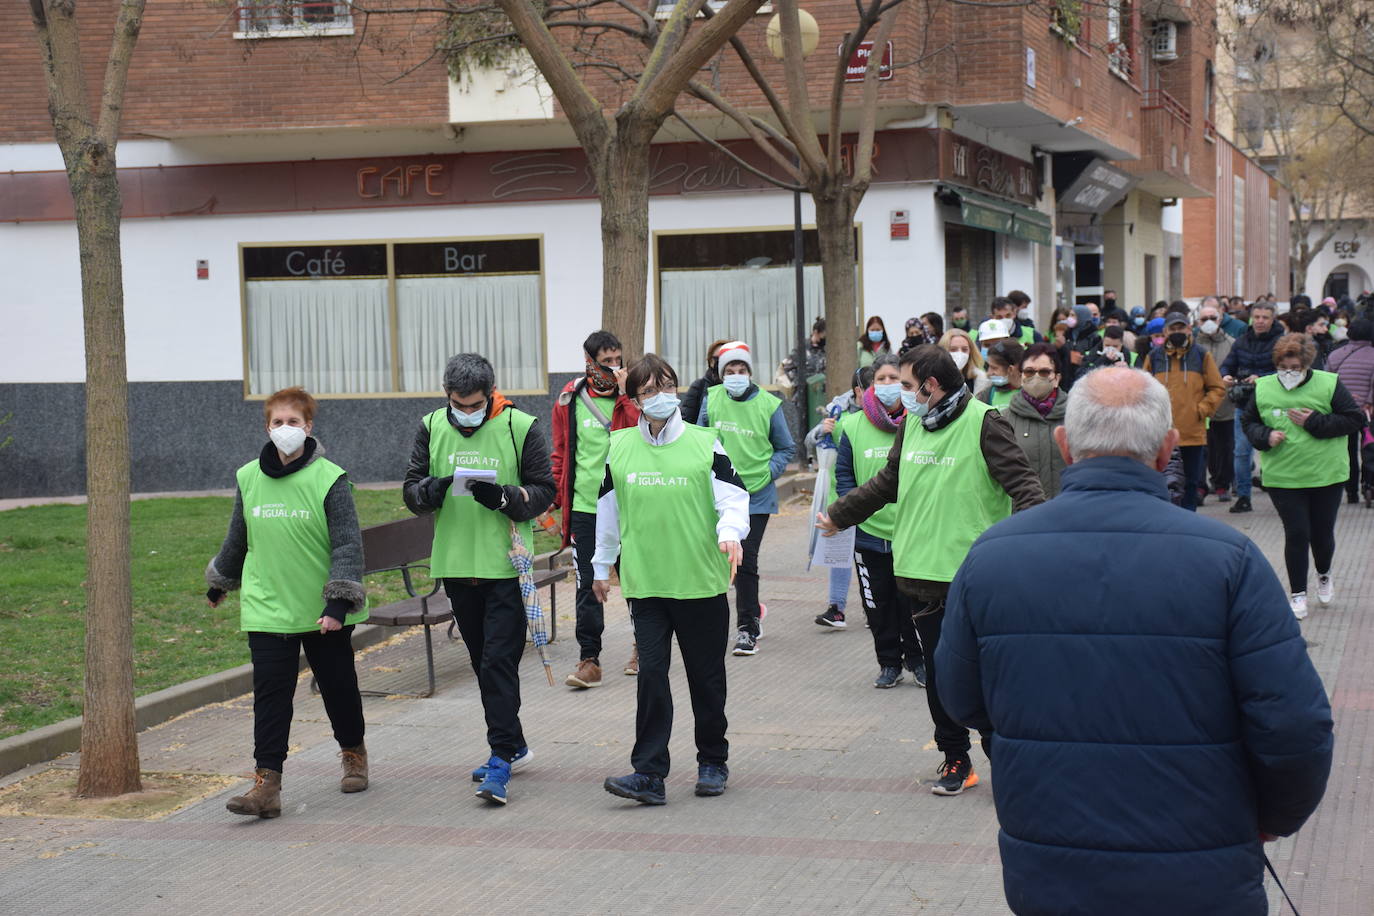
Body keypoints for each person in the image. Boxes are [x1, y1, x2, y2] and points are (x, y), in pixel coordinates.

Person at [937, 366, 1334, 916]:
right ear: (1168, 447)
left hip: (1050, 855)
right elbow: (1296, 723)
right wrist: (1274, 818)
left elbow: (961, 696)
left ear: (1064, 444)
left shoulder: (992, 555)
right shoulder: (1227, 559)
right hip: (1201, 862)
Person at [817, 345, 1044, 796]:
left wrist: (1035, 547)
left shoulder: (985, 422)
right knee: (941, 677)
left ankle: (1007, 757)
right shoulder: (915, 423)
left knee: (984, 674)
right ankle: (955, 758)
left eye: (905, 385)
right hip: (919, 574)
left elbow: (1026, 488)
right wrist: (841, 513)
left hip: (974, 577)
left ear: (931, 385)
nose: (901, 394)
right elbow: (889, 481)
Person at [206, 386, 369, 819]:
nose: (285, 430)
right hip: (268, 605)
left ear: (308, 427)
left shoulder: (329, 478)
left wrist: (338, 604)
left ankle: (353, 752)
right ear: (266, 427)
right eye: (277, 422)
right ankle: (266, 784)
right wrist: (221, 580)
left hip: (320, 609)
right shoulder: (248, 477)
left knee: (338, 688)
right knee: (271, 696)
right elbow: (238, 536)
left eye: (293, 422)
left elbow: (348, 545)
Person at [593, 355, 749, 806]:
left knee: (706, 677)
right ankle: (649, 773)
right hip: (646, 584)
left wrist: (728, 533)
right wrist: (601, 568)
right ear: (635, 399)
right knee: (652, 676)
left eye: (666, 386)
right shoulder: (619, 446)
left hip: (699, 581)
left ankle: (712, 761)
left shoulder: (706, 443)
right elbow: (608, 510)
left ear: (677, 391)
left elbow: (733, 499)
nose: (658, 396)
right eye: (647, 390)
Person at [402, 353, 555, 805]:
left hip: (505, 567)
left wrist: (506, 498)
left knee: (497, 664)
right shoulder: (430, 426)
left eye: (474, 404)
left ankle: (500, 760)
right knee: (482, 663)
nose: (465, 413)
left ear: (491, 394)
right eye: (457, 403)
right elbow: (411, 489)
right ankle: (516, 745)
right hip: (455, 565)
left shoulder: (520, 426)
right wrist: (428, 491)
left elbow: (544, 490)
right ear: (446, 396)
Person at [1241, 334, 1366, 618]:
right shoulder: (1263, 387)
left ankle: (1323, 573)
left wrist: (1315, 421)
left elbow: (1354, 419)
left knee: (1321, 534)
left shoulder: (1328, 383)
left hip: (1326, 474)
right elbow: (1249, 422)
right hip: (1284, 476)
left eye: (1295, 368)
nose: (1288, 374)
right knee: (1297, 533)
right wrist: (1265, 435)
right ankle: (1298, 593)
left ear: (1306, 364)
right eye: (1283, 367)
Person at [551, 331, 642, 689]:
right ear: (589, 362)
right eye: (606, 362)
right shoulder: (568, 400)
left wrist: (625, 396)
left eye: (618, 360)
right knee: (588, 585)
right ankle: (589, 659)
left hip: (629, 506)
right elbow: (561, 452)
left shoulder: (632, 395)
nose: (614, 368)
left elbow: (644, 435)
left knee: (636, 579)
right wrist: (555, 500)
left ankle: (643, 647)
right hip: (587, 508)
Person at [697, 341, 796, 656]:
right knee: (720, 559)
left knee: (744, 558)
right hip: (720, 494)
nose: (736, 375)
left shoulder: (769, 404)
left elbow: (786, 447)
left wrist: (769, 472)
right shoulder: (710, 399)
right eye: (730, 370)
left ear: (750, 373)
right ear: (721, 373)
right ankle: (727, 618)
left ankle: (747, 627)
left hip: (756, 495)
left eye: (741, 370)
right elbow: (699, 440)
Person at [832, 355, 924, 687]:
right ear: (870, 385)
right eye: (880, 379)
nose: (887, 385)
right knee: (878, 604)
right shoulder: (852, 425)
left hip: (909, 531)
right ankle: (889, 663)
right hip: (869, 535)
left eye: (894, 379)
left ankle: (917, 659)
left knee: (910, 602)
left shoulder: (919, 422)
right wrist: (852, 511)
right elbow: (844, 476)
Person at [1141, 310, 1225, 511]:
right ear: (1165, 331)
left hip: (1192, 434)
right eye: (1173, 328)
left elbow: (1217, 388)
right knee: (1162, 483)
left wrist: (1201, 410)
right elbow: (1143, 390)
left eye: (1181, 327)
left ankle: (1188, 521)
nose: (1177, 332)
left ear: (1189, 329)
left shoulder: (1202, 355)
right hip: (1161, 434)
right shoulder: (1154, 357)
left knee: (1190, 484)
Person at [809, 366, 873, 628]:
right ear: (858, 391)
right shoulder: (838, 411)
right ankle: (836, 609)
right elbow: (809, 441)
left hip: (874, 495)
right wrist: (821, 430)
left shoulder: (887, 415)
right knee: (840, 553)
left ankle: (875, 607)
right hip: (841, 492)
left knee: (870, 555)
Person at [1221, 300, 1283, 513]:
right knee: (1241, 451)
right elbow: (1228, 364)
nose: (1260, 321)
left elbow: (1286, 372)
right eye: (1256, 317)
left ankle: (1281, 494)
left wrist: (1262, 378)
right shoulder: (1241, 341)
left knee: (1275, 450)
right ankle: (1244, 497)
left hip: (1273, 403)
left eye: (1265, 317)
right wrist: (1226, 375)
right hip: (1244, 403)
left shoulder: (1281, 342)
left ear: (1272, 319)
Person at [1002, 344, 1068, 498]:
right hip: (1021, 514)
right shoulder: (1003, 420)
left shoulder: (1077, 417)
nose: (1036, 377)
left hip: (1068, 513)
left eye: (1044, 372)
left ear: (1057, 378)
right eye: (1029, 371)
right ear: (1021, 376)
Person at [1326, 318, 1374, 504]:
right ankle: (1369, 485)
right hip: (1368, 411)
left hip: (1342, 410)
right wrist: (1369, 401)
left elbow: (1329, 384)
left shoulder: (1335, 355)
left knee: (1348, 450)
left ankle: (1351, 491)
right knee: (1369, 448)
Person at [1194, 298, 1236, 504]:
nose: (1209, 321)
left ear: (1220, 319)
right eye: (1204, 319)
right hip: (1201, 405)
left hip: (1226, 404)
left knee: (1225, 448)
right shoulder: (1193, 344)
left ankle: (1222, 485)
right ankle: (1200, 486)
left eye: (1213, 318)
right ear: (1197, 321)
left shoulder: (1231, 343)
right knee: (1202, 449)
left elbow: (1236, 366)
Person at [679, 338, 731, 433]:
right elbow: (685, 422)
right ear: (711, 361)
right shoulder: (699, 387)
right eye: (717, 359)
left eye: (726, 357)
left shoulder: (742, 390)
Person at [938, 328, 990, 400]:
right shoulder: (933, 379)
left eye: (964, 349)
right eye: (953, 349)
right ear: (942, 351)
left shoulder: (980, 378)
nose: (960, 353)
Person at [980, 336, 1025, 408]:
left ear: (1010, 369)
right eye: (988, 366)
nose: (988, 373)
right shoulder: (987, 395)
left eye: (994, 368)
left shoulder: (1032, 394)